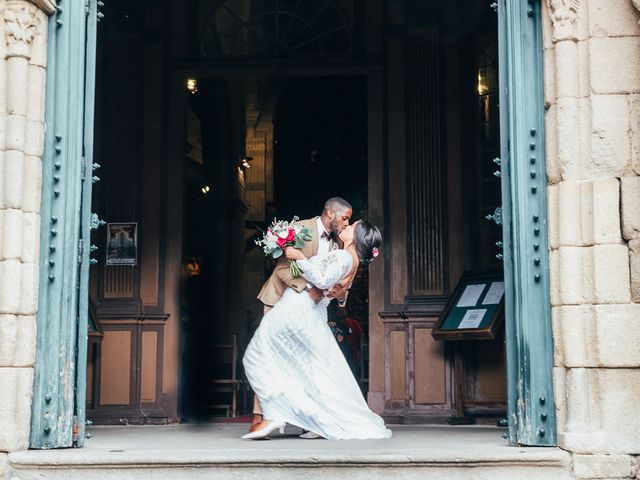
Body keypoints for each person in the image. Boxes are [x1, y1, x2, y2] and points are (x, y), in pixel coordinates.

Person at [242, 220, 391, 440]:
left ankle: (275, 413)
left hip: (295, 308)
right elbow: (329, 287)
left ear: (357, 237)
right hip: (307, 312)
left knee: (255, 356)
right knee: (308, 369)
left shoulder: (343, 257)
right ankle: (316, 419)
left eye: (352, 226)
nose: (347, 226)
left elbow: (321, 279)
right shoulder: (351, 260)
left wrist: (298, 256)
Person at [249, 197, 352, 432]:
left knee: (305, 359)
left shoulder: (338, 245)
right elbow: (284, 268)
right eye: (345, 217)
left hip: (308, 310)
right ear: (330, 212)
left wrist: (337, 294)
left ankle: (307, 418)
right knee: (268, 355)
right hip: (279, 300)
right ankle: (260, 416)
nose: (347, 223)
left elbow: (333, 281)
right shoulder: (300, 229)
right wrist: (308, 289)